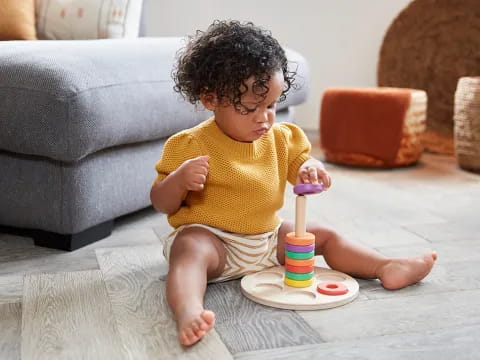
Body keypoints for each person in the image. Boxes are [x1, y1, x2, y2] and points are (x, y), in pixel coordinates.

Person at [150, 20, 437, 346]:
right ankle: (189, 310)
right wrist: (179, 180)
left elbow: (299, 161)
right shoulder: (188, 145)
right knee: (190, 248)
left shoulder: (282, 137)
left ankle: (385, 266)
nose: (265, 118)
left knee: (324, 235)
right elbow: (162, 202)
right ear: (211, 98)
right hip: (216, 245)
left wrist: (310, 167)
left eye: (271, 105)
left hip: (267, 240)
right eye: (251, 108)